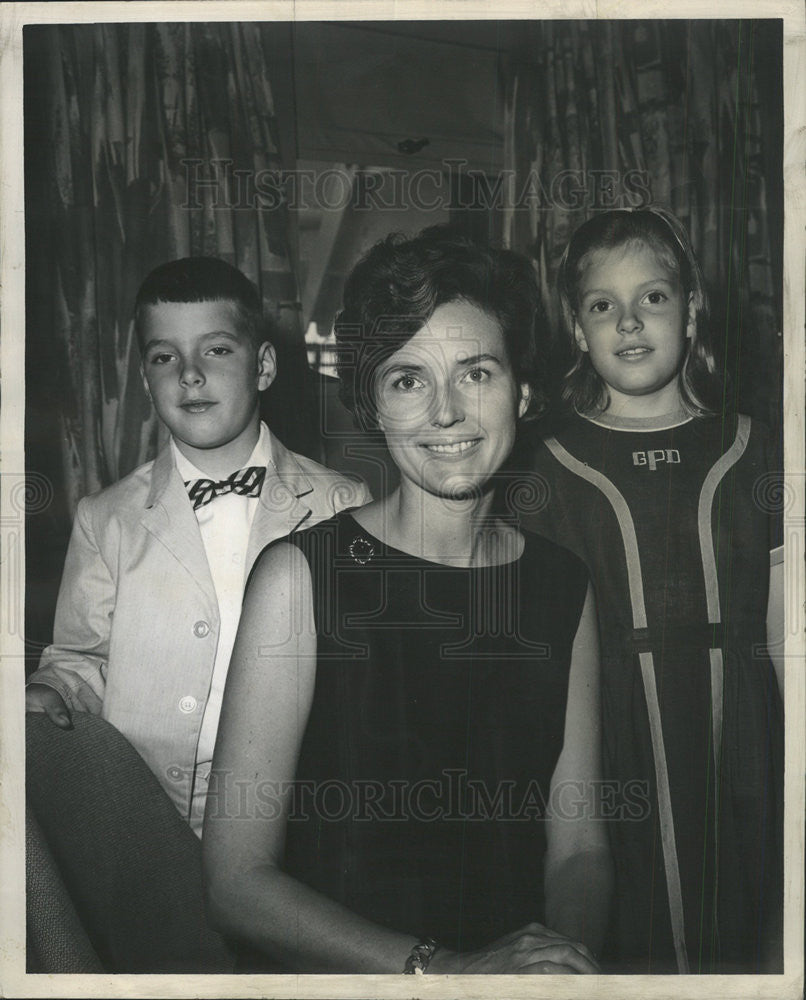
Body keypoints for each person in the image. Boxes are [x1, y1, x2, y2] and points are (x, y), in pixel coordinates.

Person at [203, 226, 614, 974]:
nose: (446, 412)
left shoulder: (564, 588)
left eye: (476, 373)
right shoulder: (298, 579)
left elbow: (580, 846)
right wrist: (448, 971)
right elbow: (236, 886)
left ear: (522, 389)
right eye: (408, 379)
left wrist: (561, 963)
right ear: (374, 404)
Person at [521, 208, 784, 973]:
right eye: (603, 304)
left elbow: (787, 641)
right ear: (576, 325)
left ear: (693, 309)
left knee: (752, 934)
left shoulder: (757, 446)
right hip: (608, 745)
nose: (629, 322)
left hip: (745, 743)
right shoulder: (541, 466)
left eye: (654, 298)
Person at [26, 256, 369, 835]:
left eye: (216, 350)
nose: (189, 374)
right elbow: (80, 659)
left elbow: (363, 675)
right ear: (144, 379)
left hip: (290, 823)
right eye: (165, 357)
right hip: (140, 819)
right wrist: (51, 688)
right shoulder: (104, 518)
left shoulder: (343, 504)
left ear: (263, 366)